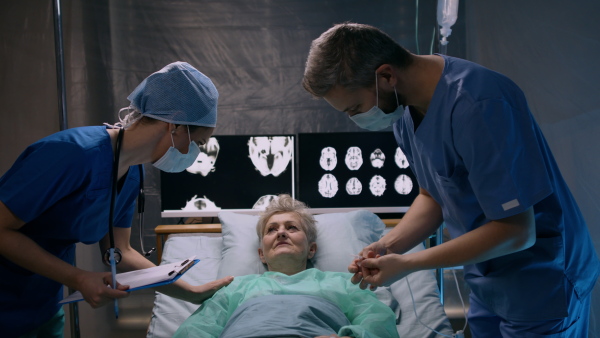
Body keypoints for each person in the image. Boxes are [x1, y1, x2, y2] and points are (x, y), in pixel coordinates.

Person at [302, 23, 599, 337]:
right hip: (491, 279)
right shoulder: (405, 113)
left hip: (542, 281)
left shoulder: (479, 104)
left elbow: (516, 232)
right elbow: (432, 196)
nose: (355, 118)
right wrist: (388, 247)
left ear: (387, 77)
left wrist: (409, 264)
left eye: (355, 108)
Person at [0, 61, 233, 338]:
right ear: (175, 126)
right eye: (199, 142)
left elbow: (121, 253)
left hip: (42, 305)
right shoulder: (71, 153)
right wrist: (78, 278)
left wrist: (192, 293)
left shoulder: (132, 172)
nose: (194, 152)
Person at [174, 194, 399, 338]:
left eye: (292, 228)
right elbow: (195, 330)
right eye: (271, 230)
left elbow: (378, 320)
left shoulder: (344, 283)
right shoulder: (235, 288)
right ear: (262, 254)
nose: (281, 232)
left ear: (312, 249)